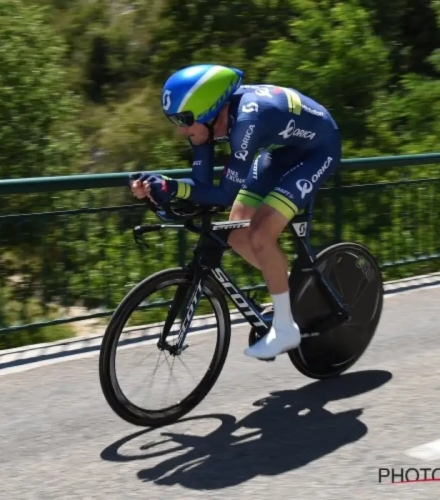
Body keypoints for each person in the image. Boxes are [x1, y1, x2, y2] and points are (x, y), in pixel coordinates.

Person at [129, 63, 341, 360]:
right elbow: (201, 186)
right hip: (280, 153)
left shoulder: (247, 121)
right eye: (175, 121)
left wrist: (172, 187)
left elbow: (225, 194)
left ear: (210, 108)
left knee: (260, 235)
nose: (182, 130)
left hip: (318, 151)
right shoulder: (210, 121)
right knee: (237, 234)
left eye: (184, 120)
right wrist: (158, 188)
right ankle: (292, 290)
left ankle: (285, 328)